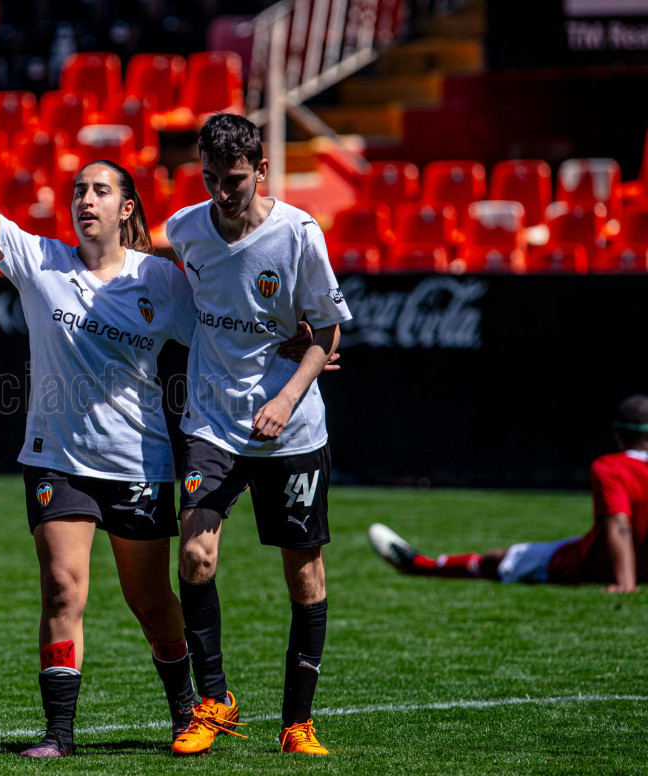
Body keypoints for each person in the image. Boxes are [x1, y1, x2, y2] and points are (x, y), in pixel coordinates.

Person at [0, 66, 205, 757]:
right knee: (61, 589)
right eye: (79, 190)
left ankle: (187, 711)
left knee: (150, 602)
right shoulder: (39, 260)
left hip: (139, 461)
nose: (85, 199)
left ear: (127, 209)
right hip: (57, 460)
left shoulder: (161, 281)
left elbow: (222, 335)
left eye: (101, 190)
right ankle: (59, 734)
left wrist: (299, 342)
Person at [167, 113, 352, 757]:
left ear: (262, 171)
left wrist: (286, 396)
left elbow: (328, 332)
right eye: (211, 179)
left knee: (304, 574)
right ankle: (214, 701)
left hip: (290, 429)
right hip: (212, 422)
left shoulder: (298, 234)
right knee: (195, 556)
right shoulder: (185, 229)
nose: (222, 193)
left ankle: (298, 723)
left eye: (236, 180)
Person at [370, 395, 648, 593]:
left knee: (499, 560)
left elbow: (619, 526)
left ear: (616, 432)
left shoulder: (610, 467)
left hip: (591, 563)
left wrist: (625, 582)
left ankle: (421, 565)